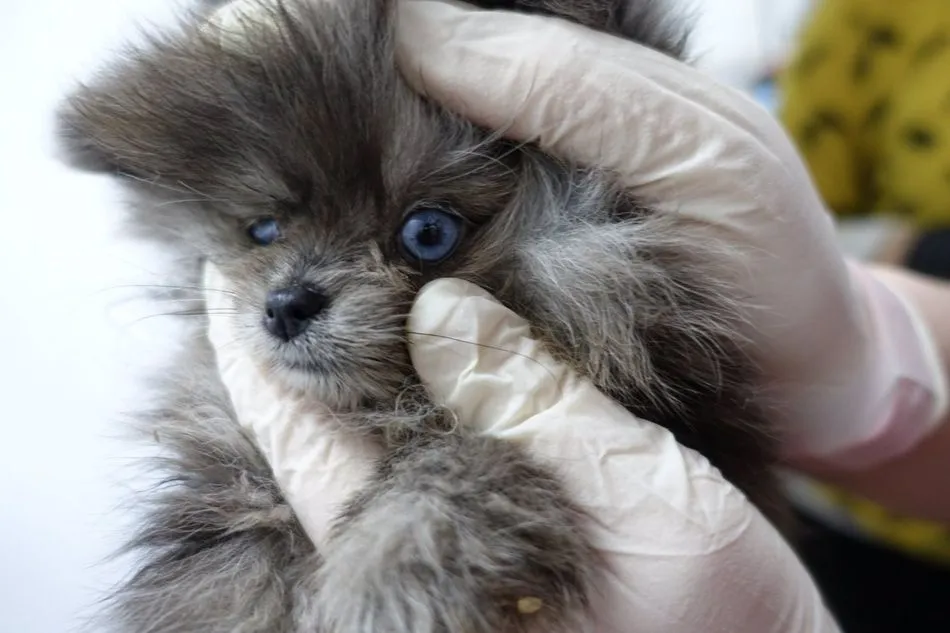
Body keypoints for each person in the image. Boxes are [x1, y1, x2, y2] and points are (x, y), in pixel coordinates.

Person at [204, 0, 950, 630]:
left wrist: (860, 362)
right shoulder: (865, 28)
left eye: (427, 235)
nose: (290, 290)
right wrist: (870, 362)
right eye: (268, 231)